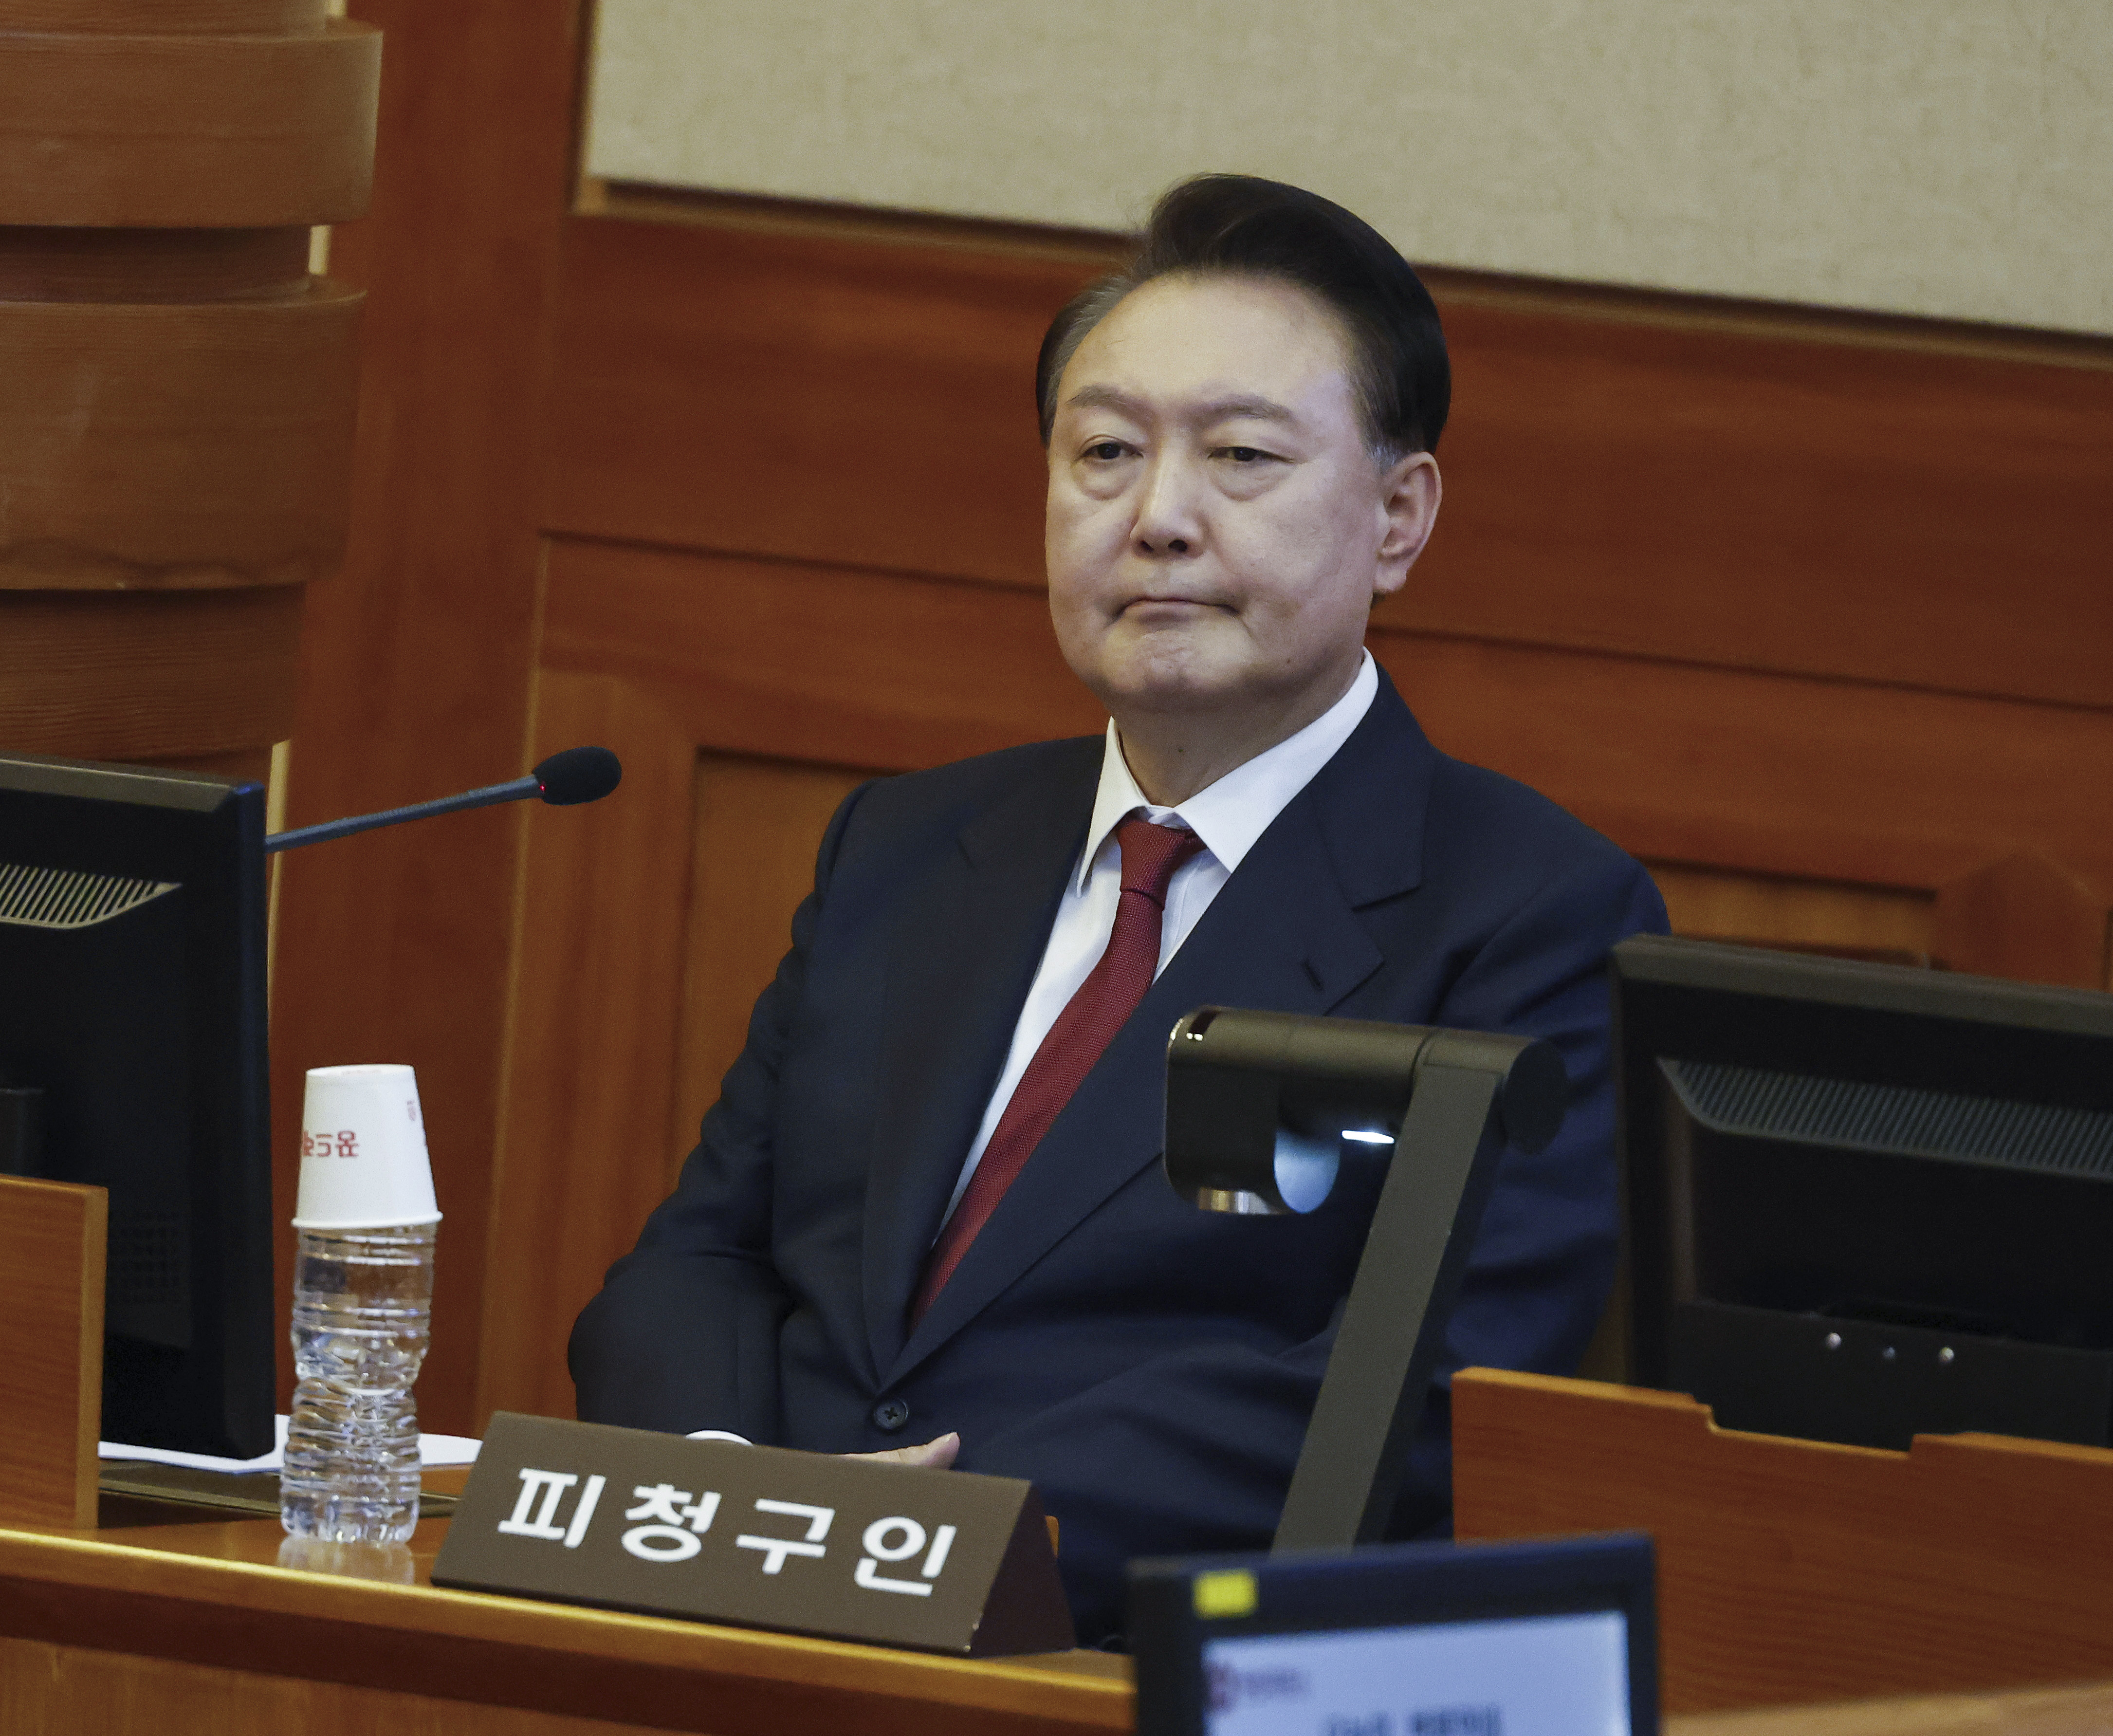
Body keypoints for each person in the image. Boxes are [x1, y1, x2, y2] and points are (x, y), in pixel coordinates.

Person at [570, 173, 1668, 1643]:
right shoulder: (906, 846)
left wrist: (926, 1539)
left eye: (1241, 459)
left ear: (1400, 518)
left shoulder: (1533, 915)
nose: (1159, 519)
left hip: (1111, 1651)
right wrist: (725, 1498)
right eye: (1104, 452)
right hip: (743, 1619)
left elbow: (1412, 1393)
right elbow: (703, 1258)